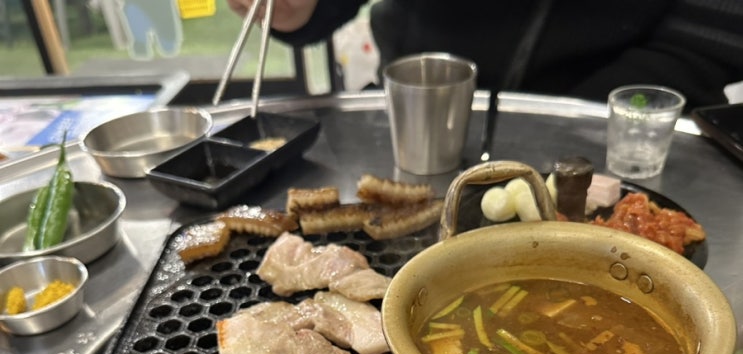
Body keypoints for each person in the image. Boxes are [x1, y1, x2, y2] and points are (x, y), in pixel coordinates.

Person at [226, 0, 743, 110]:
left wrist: (575, 122)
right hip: (421, 96)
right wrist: (306, 10)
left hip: (620, 108)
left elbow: (717, 25)